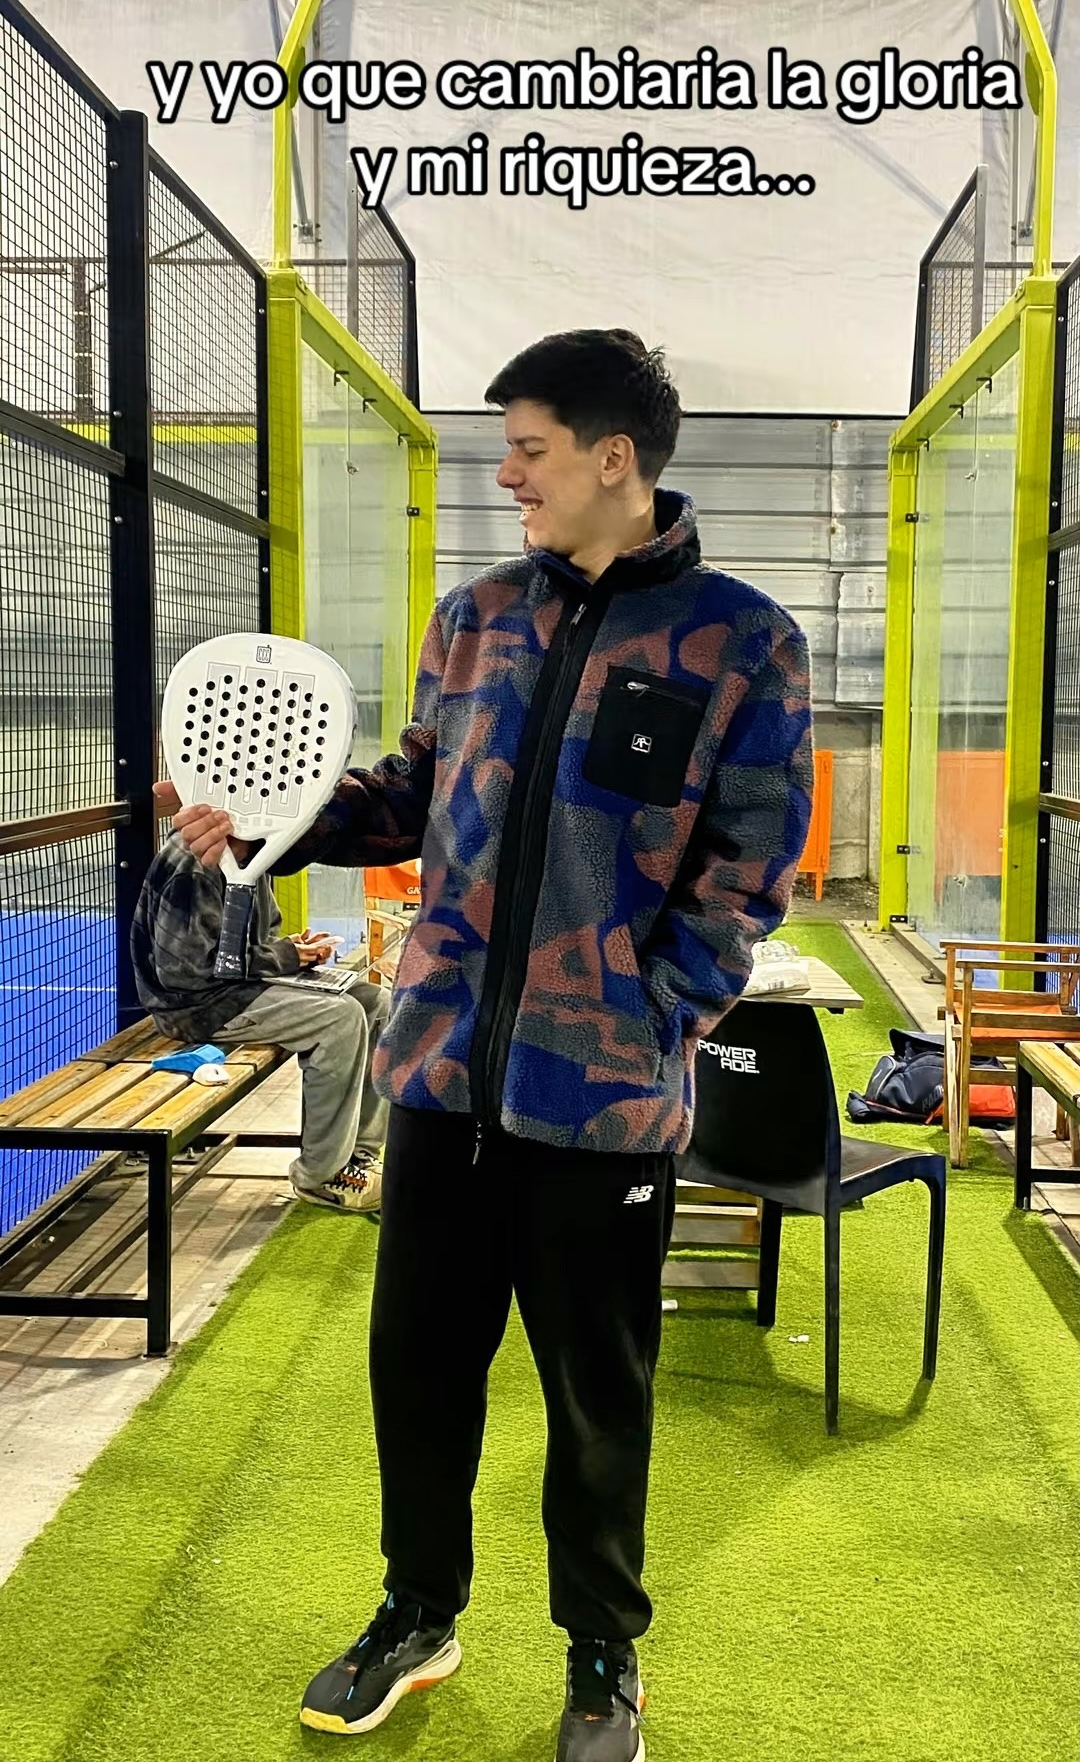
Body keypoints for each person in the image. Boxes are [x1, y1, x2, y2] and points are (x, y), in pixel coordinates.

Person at [157, 328, 814, 1760]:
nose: (506, 474)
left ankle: (602, 1657)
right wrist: (269, 820)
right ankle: (417, 1613)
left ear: (613, 457)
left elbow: (750, 868)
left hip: (605, 1103)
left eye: (528, 448)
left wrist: (652, 1012)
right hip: (442, 1082)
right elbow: (407, 797)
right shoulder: (475, 619)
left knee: (597, 1401)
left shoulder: (744, 640)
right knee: (418, 1374)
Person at [130, 828, 390, 1212]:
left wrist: (295, 950)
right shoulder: (194, 866)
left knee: (375, 1002)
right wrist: (283, 957)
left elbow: (260, 939)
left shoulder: (253, 854)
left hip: (237, 990)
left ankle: (357, 1156)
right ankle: (322, 1177)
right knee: (341, 1018)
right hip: (195, 1008)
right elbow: (183, 974)